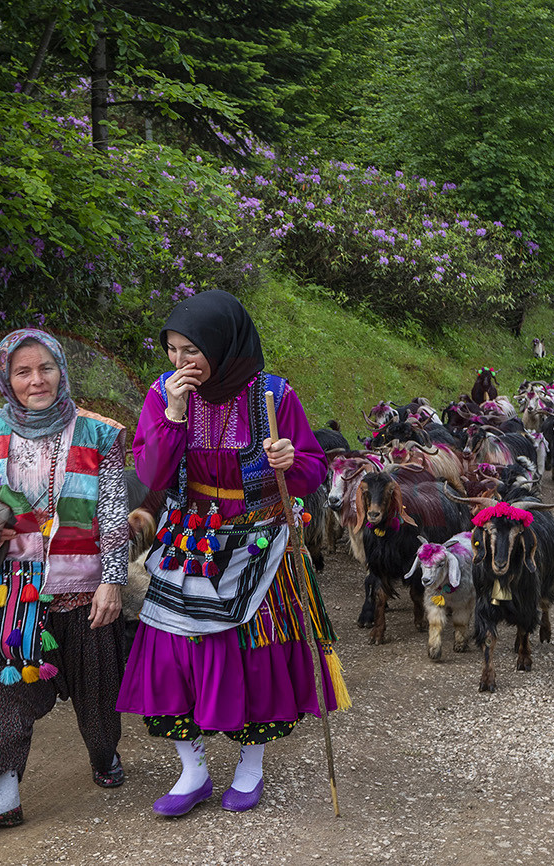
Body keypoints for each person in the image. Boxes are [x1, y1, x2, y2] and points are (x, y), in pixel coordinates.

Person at [116, 290, 346, 818]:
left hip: (259, 541)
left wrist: (292, 459)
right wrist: (172, 416)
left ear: (224, 345)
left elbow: (312, 467)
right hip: (190, 540)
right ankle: (192, 770)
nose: (179, 362)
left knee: (252, 655)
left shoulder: (272, 395)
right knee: (171, 655)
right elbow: (149, 474)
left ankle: (250, 766)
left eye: (191, 350)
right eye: (171, 349)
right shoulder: (163, 395)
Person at [0, 329, 131, 834]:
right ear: (6, 378)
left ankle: (103, 754)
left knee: (98, 691)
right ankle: (3, 796)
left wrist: (112, 580)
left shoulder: (100, 433)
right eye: (22, 372)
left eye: (45, 368)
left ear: (62, 370)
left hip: (83, 584)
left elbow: (114, 511)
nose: (36, 381)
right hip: (9, 589)